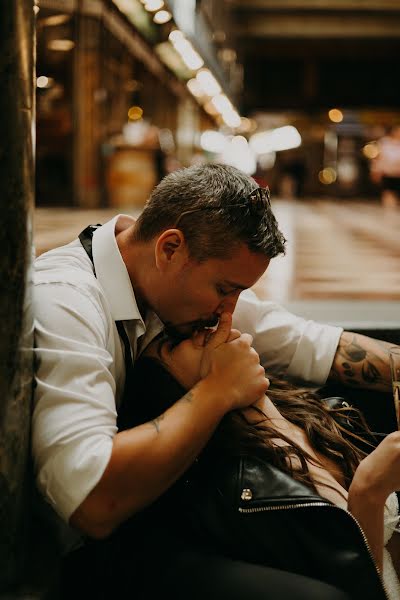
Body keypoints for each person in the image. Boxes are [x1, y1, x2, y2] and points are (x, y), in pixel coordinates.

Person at [32, 163, 396, 598]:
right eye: (225, 289)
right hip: (80, 553)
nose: (229, 311)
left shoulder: (181, 284)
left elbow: (310, 344)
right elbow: (90, 502)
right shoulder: (65, 301)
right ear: (170, 249)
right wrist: (218, 391)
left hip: (165, 507)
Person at [125, 320, 400, 599]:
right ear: (181, 397)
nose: (213, 331)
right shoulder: (245, 493)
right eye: (176, 341)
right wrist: (368, 493)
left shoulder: (314, 417)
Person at [370, 125, 400, 208]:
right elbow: (378, 159)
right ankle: (389, 212)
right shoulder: (384, 143)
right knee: (388, 193)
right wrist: (375, 170)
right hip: (388, 173)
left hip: (398, 173)